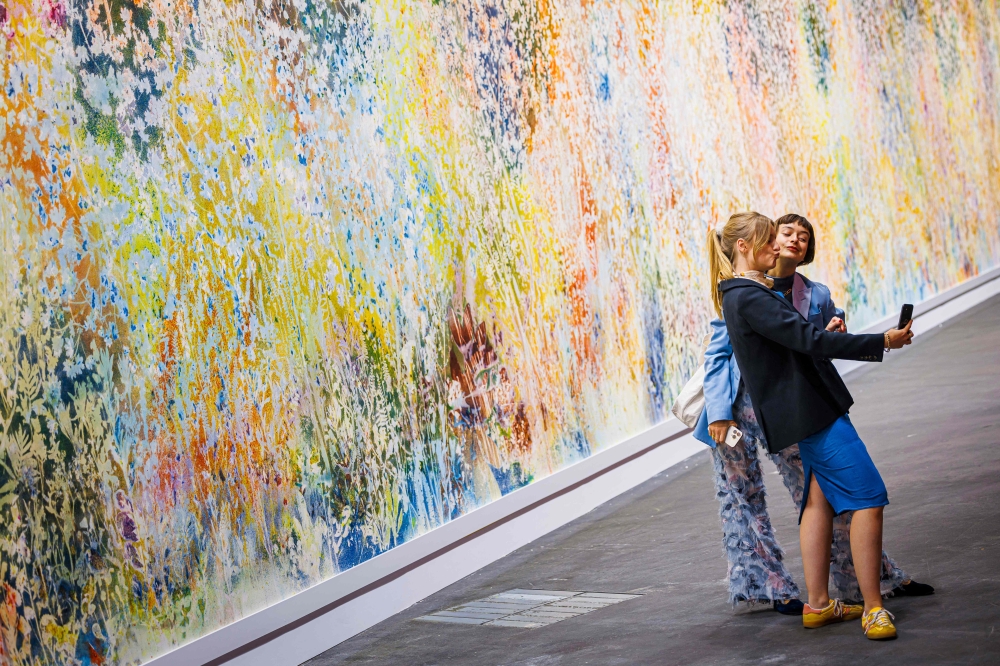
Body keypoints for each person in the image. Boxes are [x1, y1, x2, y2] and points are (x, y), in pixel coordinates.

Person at [693, 214, 933, 614]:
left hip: (797, 407)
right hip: (786, 410)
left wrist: (834, 334)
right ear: (745, 246)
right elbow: (785, 343)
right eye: (779, 236)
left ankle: (822, 602)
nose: (785, 243)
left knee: (818, 501)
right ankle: (866, 604)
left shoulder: (787, 291)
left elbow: (808, 339)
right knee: (863, 498)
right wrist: (882, 341)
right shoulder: (746, 294)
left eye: (800, 237)